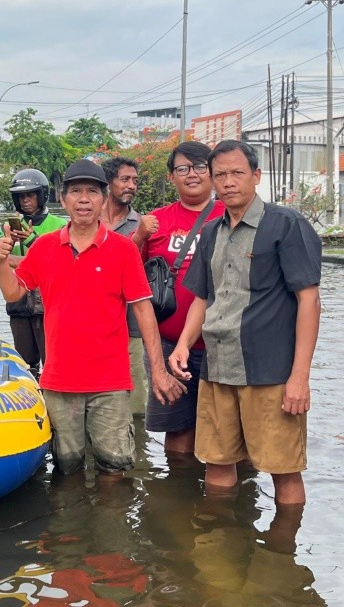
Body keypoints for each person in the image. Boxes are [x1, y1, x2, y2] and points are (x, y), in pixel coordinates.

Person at [0, 160, 184, 476]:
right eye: (76, 191)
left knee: (115, 469)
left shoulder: (123, 250)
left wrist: (159, 371)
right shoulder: (45, 246)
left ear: (104, 199)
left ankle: (108, 511)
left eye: (92, 192)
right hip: (59, 380)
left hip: (110, 381)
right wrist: (1, 262)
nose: (84, 199)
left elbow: (143, 309)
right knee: (66, 468)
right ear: (63, 198)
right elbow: (14, 293)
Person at [170, 140, 320, 505]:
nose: (228, 182)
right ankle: (220, 535)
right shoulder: (211, 231)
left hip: (269, 373)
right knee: (217, 463)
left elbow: (309, 301)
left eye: (237, 173)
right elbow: (203, 298)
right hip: (217, 368)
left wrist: (299, 378)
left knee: (283, 467)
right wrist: (183, 345)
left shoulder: (286, 225)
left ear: (256, 175)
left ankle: (284, 540)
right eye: (220, 174)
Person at [140, 142, 225, 454]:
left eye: (200, 166)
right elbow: (127, 273)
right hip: (168, 346)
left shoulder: (231, 214)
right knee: (177, 434)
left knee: (230, 433)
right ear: (171, 176)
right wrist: (139, 235)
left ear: (212, 172)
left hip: (223, 345)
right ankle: (178, 484)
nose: (192, 174)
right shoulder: (154, 221)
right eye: (182, 168)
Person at [0, 168, 65, 377]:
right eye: (21, 196)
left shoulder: (60, 225)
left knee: (52, 361)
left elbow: (58, 261)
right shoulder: (9, 227)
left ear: (42, 195)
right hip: (18, 303)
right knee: (24, 362)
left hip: (47, 305)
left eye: (30, 195)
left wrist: (29, 242)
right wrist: (2, 247)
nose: (25, 200)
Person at [100, 156, 160, 418]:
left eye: (135, 180)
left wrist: (141, 235)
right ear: (108, 183)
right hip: (93, 324)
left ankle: (138, 443)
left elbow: (127, 265)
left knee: (135, 404)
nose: (132, 186)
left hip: (131, 325)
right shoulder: (88, 220)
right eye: (125, 179)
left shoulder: (142, 224)